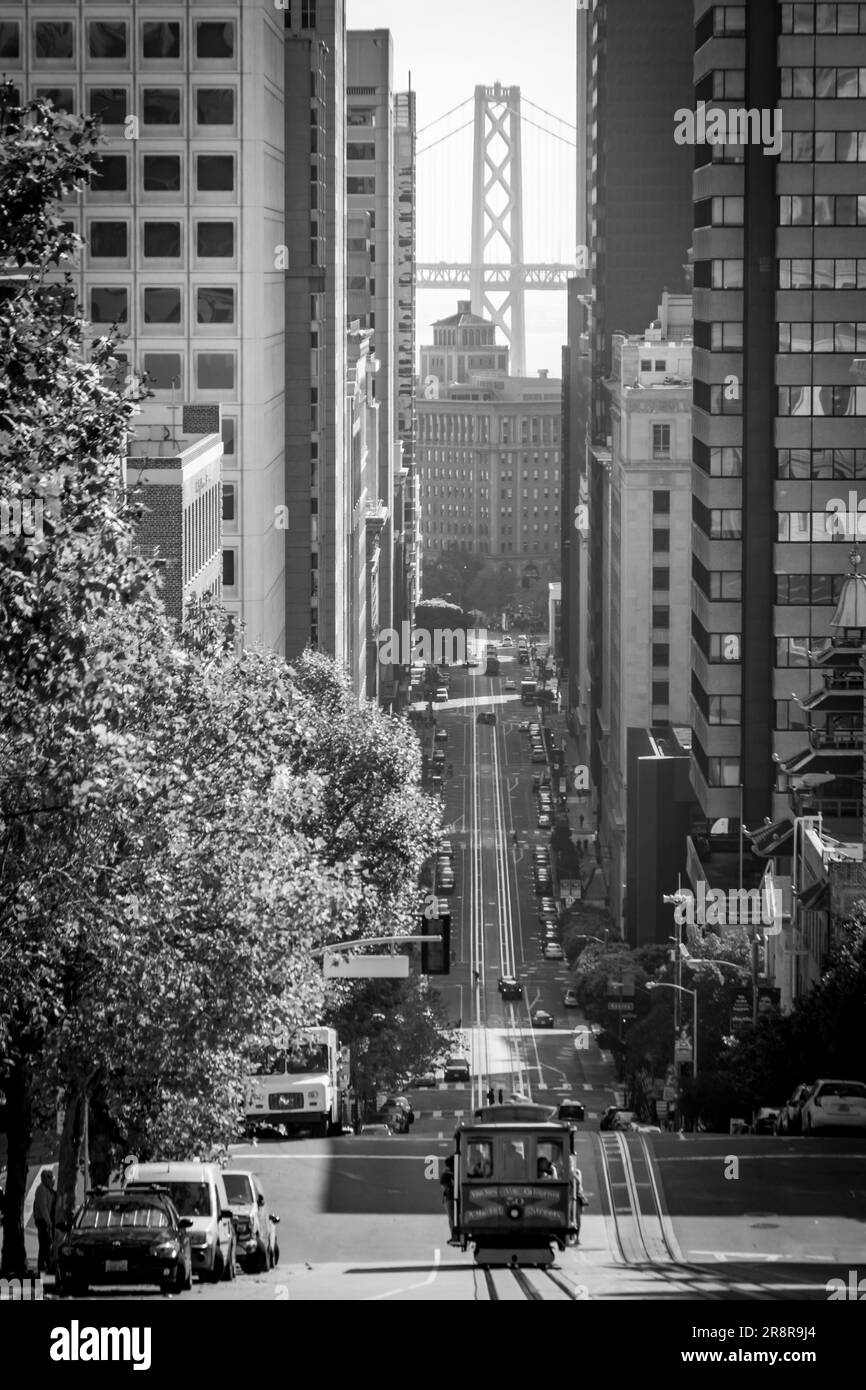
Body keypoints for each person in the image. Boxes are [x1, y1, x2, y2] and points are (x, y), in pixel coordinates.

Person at [34, 1169, 56, 1275]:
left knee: (47, 1244)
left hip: (46, 1220)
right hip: (42, 1221)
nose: (51, 1180)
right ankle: (42, 1267)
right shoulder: (41, 1190)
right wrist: (49, 1223)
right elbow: (43, 1208)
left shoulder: (48, 1190)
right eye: (49, 1177)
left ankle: (47, 1265)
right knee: (44, 1244)